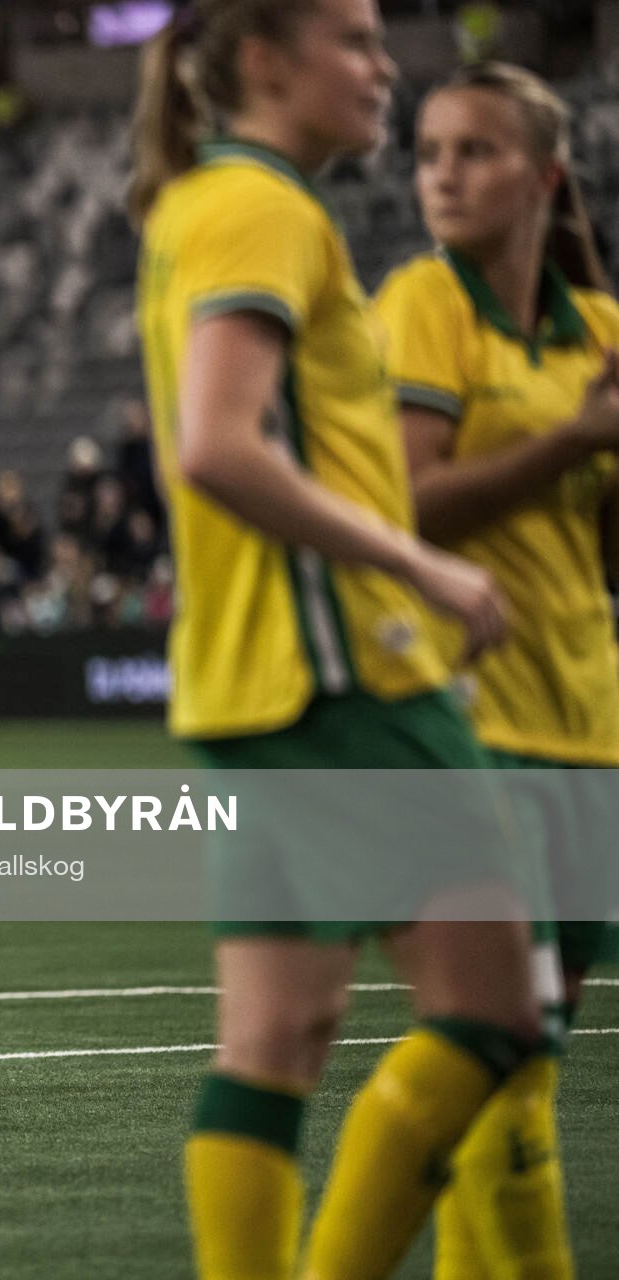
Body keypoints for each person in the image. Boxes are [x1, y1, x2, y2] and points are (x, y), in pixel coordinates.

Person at [129, 3, 549, 1277]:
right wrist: (418, 563)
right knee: (497, 1013)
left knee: (275, 1041)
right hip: (338, 673)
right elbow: (216, 444)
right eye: (355, 40)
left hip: (249, 682)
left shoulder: (203, 202)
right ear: (266, 62)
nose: (382, 67)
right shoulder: (262, 208)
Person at [374, 60, 619, 1278]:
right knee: (492, 1044)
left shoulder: (602, 331)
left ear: (545, 176)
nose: (444, 174)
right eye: (429, 152)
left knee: (531, 1051)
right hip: (474, 719)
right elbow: (408, 502)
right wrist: (573, 438)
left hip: (588, 720)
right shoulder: (423, 302)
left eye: (474, 150)